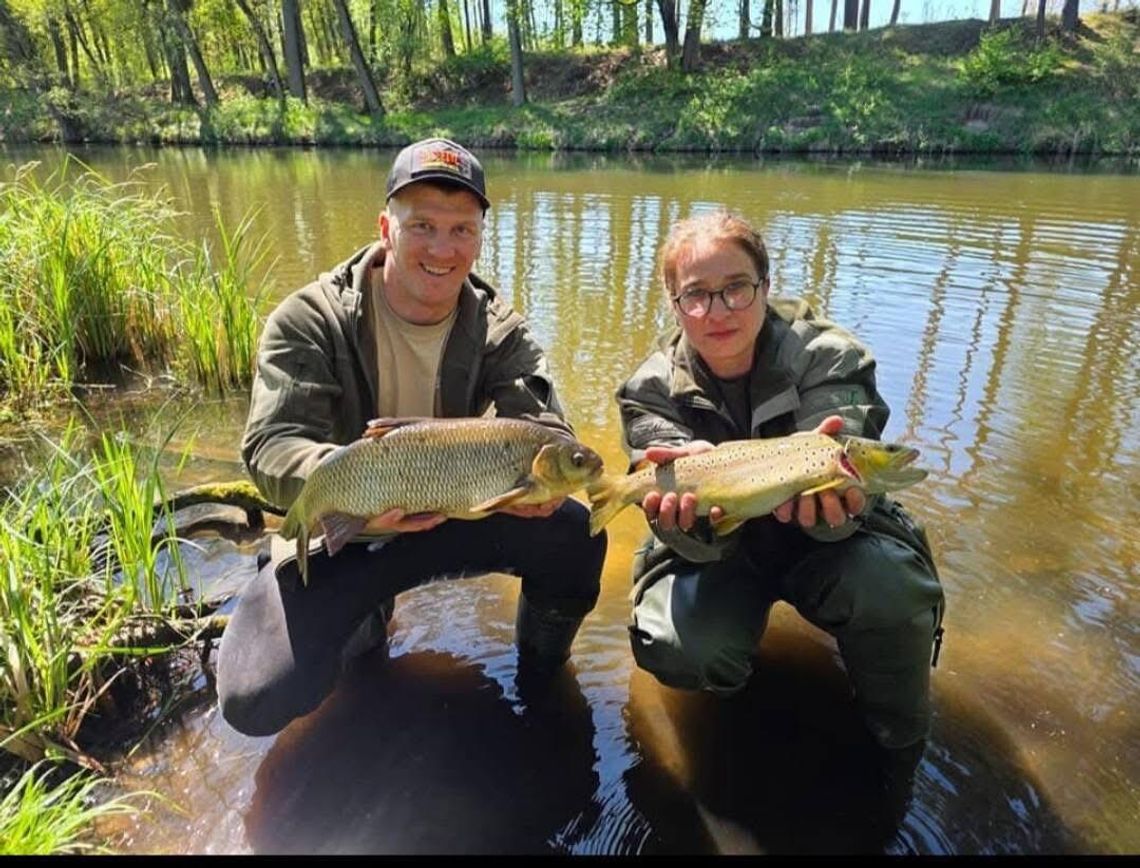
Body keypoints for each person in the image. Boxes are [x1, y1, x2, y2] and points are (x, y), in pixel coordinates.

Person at [217, 138, 607, 738]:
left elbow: (546, 425)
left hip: (460, 505)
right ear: (385, 226)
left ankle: (544, 678)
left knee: (578, 537)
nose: (443, 249)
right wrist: (359, 486)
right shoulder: (308, 319)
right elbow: (271, 445)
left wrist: (549, 480)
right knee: (258, 695)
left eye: (462, 229)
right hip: (354, 521)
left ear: (479, 237)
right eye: (422, 224)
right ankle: (364, 652)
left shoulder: (500, 329)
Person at [615, 209, 945, 755]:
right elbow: (658, 495)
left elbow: (849, 460)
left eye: (736, 288)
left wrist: (841, 503)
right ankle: (730, 729)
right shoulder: (647, 389)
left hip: (831, 543)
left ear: (766, 286)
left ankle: (900, 740)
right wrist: (676, 520)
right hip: (717, 546)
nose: (717, 311)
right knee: (678, 643)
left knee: (891, 589)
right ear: (675, 305)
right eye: (695, 295)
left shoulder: (829, 355)